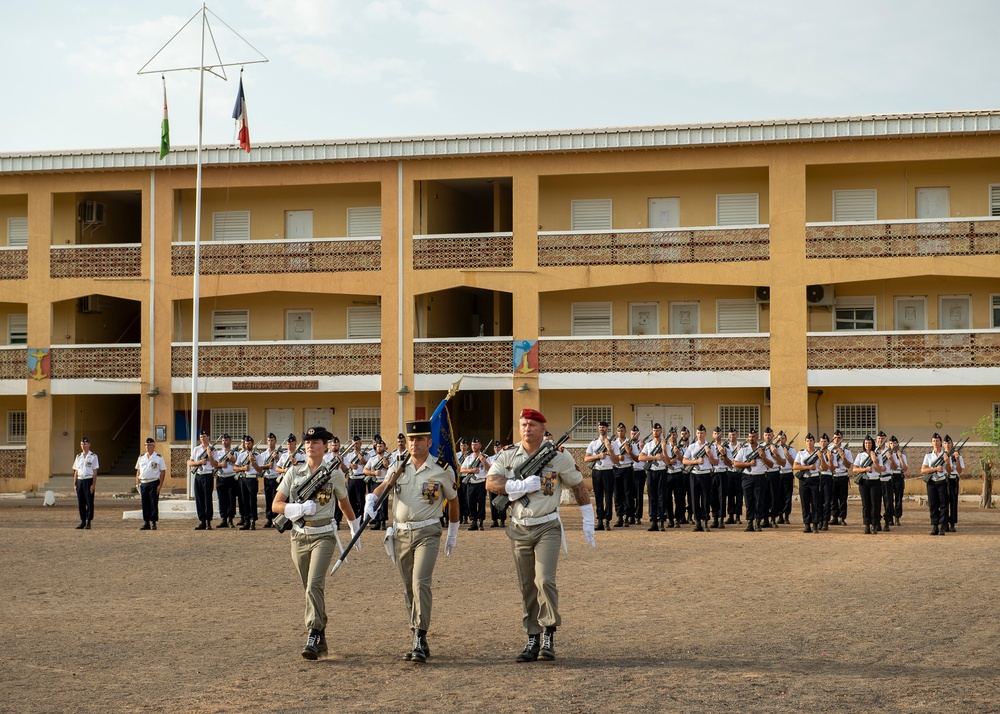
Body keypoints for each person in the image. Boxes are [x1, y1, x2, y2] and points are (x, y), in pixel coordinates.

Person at [486, 408, 595, 663]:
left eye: (532, 425)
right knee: (527, 585)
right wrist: (515, 486)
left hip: (547, 526)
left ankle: (548, 632)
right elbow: (491, 482)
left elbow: (578, 485)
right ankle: (532, 636)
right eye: (523, 424)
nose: (526, 429)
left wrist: (588, 518)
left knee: (544, 580)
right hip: (519, 527)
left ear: (543, 429)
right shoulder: (508, 455)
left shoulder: (558, 457)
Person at [365, 419, 459, 663]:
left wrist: (454, 531)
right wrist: (371, 498)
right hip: (401, 534)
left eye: (419, 440)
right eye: (410, 439)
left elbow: (454, 498)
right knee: (408, 587)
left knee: (420, 582)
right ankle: (418, 635)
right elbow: (385, 485)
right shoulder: (399, 465)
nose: (414, 444)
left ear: (429, 442)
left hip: (428, 532)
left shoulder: (441, 469)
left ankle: (419, 635)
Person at [273, 426, 359, 660]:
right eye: (308, 441)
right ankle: (321, 635)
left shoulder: (334, 473)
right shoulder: (294, 472)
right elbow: (276, 505)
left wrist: (354, 526)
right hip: (299, 536)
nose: (310, 445)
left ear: (325, 447)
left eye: (316, 442)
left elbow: (344, 502)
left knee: (314, 585)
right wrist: (296, 508)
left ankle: (312, 633)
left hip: (324, 535)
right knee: (309, 588)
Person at [733, 427, 772, 532]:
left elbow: (771, 465)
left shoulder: (763, 449)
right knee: (748, 500)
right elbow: (735, 463)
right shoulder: (744, 449)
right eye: (750, 436)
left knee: (759, 501)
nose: (751, 438)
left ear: (757, 438)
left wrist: (763, 457)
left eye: (753, 437)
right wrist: (748, 464)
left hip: (760, 476)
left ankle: (758, 522)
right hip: (747, 477)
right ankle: (749, 522)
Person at [683, 424, 718, 532]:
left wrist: (709, 454)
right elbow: (684, 461)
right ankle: (697, 522)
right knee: (694, 499)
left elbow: (716, 463)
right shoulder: (692, 446)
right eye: (698, 433)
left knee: (706, 499)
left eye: (701, 433)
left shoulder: (711, 447)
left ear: (705, 434)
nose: (699, 435)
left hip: (706, 474)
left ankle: (705, 521)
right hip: (694, 474)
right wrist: (696, 461)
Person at [584, 420, 618, 530]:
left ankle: (607, 520)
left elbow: (616, 461)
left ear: (607, 429)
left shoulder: (613, 443)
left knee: (608, 497)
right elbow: (586, 458)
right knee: (598, 496)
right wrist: (598, 456)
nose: (601, 429)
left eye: (603, 427)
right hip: (597, 471)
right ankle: (600, 521)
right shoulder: (593, 443)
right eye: (600, 427)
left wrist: (610, 449)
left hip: (608, 471)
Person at [853, 435, 885, 534]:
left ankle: (875, 525)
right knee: (865, 504)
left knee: (875, 504)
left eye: (870, 443)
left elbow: (879, 469)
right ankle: (866, 524)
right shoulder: (860, 455)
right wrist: (865, 469)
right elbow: (854, 469)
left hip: (875, 481)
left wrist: (874, 460)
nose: (868, 445)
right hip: (864, 481)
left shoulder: (878, 455)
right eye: (866, 443)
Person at [921, 433, 951, 536]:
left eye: (937, 441)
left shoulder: (945, 455)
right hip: (932, 482)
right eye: (934, 441)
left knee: (943, 504)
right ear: (931, 442)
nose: (935, 442)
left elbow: (949, 471)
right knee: (933, 505)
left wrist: (947, 462)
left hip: (942, 481)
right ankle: (935, 525)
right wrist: (935, 469)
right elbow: (923, 470)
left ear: (941, 443)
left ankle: (943, 525)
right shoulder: (928, 455)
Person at [792, 434, 822, 533]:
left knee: (815, 503)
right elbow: (795, 466)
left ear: (814, 442)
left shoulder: (818, 453)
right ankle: (807, 524)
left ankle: (815, 524)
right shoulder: (801, 453)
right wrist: (808, 468)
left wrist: (821, 458)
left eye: (811, 441)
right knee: (805, 503)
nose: (809, 443)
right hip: (804, 480)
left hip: (814, 479)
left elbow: (825, 467)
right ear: (805, 442)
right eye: (807, 441)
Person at [234, 435, 264, 530]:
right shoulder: (241, 455)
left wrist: (253, 463)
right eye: (246, 443)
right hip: (243, 479)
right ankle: (246, 521)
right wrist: (242, 468)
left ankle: (253, 521)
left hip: (252, 479)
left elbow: (260, 470)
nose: (247, 445)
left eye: (249, 443)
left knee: (252, 501)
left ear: (252, 444)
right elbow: (235, 467)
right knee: (244, 501)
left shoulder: (257, 455)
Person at [135, 437, 166, 530]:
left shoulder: (158, 457)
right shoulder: (141, 457)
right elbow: (138, 471)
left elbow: (163, 471)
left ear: (154, 446)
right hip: (143, 482)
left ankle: (153, 522)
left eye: (150, 445)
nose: (148, 447)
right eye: (146, 445)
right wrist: (137, 483)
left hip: (153, 482)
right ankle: (146, 522)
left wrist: (160, 485)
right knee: (144, 503)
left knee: (153, 503)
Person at [640, 423, 667, 530]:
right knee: (652, 497)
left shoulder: (665, 444)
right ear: (652, 432)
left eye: (658, 430)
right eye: (654, 430)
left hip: (662, 472)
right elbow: (641, 457)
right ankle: (654, 521)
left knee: (661, 496)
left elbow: (668, 461)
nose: (656, 432)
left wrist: (664, 449)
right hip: (651, 472)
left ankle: (661, 521)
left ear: (661, 431)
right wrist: (654, 458)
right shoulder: (649, 445)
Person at [461, 437, 490, 530]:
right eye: (473, 444)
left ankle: (480, 521)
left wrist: (483, 461)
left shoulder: (485, 456)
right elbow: (462, 469)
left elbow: (490, 469)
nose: (474, 446)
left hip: (481, 482)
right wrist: (471, 470)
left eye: (476, 444)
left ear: (480, 446)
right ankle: (473, 522)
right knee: (471, 503)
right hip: (471, 483)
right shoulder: (469, 458)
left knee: (481, 503)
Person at [188, 430, 215, 530]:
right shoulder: (196, 449)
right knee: (199, 499)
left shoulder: (212, 449)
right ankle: (202, 521)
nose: (202, 439)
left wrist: (210, 455)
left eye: (204, 436)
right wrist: (200, 462)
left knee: (207, 499)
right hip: (198, 475)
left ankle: (208, 521)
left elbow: (215, 464)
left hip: (207, 475)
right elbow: (190, 463)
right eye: (201, 437)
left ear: (208, 437)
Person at [211, 434, 238, 528]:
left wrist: (233, 460)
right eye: (223, 440)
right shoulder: (217, 453)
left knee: (231, 499)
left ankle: (230, 520)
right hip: (220, 477)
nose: (225, 442)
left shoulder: (235, 452)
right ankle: (223, 519)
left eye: (226, 440)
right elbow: (213, 464)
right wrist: (220, 464)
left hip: (231, 477)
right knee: (222, 498)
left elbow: (240, 465)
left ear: (230, 441)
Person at [363, 439, 391, 529]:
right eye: (378, 446)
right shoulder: (372, 459)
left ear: (384, 448)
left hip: (385, 481)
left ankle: (383, 522)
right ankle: (377, 521)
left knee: (384, 503)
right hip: (375, 481)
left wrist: (387, 466)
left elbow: (394, 469)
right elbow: (365, 470)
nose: (379, 448)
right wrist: (373, 473)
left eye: (381, 446)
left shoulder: (389, 457)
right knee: (375, 502)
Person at [72, 437, 99, 529]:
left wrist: (93, 484)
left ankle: (88, 521)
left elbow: (95, 471)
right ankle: (82, 520)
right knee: (81, 502)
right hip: (80, 480)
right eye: (82, 444)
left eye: (85, 444)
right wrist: (74, 483)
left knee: (89, 501)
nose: (83, 446)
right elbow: (76, 471)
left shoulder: (93, 456)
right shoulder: (78, 457)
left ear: (89, 445)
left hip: (88, 480)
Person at [829, 431, 852, 526]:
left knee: (843, 499)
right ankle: (834, 517)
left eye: (839, 437)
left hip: (842, 476)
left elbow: (848, 465)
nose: (837, 439)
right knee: (833, 498)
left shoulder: (846, 451)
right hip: (832, 476)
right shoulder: (829, 450)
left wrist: (843, 457)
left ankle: (842, 517)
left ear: (842, 439)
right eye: (835, 437)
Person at [943, 435, 964, 532]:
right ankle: (945, 522)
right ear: (943, 444)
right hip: (944, 480)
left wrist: (958, 459)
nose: (947, 445)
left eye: (949, 443)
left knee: (953, 501)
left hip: (954, 479)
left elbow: (959, 471)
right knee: (944, 502)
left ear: (952, 444)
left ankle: (952, 523)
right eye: (945, 443)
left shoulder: (957, 455)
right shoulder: (941, 455)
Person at [261, 433, 281, 528]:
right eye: (269, 440)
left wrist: (277, 458)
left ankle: (276, 519)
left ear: (275, 441)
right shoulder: (264, 454)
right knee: (268, 499)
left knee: (275, 499)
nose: (270, 442)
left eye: (272, 440)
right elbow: (260, 466)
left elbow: (283, 464)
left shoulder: (280, 453)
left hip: (276, 478)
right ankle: (269, 519)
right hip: (267, 478)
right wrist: (267, 466)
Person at [887, 436, 908, 526]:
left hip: (898, 475)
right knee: (889, 498)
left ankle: (897, 517)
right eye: (891, 443)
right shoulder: (887, 455)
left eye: (895, 443)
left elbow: (904, 468)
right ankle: (890, 518)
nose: (893, 445)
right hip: (890, 476)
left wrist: (900, 457)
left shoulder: (902, 455)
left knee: (898, 498)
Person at [628, 426, 646, 525]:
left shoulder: (643, 444)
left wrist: (642, 448)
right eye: (632, 433)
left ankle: (638, 516)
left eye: (635, 433)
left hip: (640, 471)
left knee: (639, 495)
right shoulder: (627, 444)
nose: (634, 435)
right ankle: (631, 515)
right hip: (630, 471)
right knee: (630, 495)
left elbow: (645, 458)